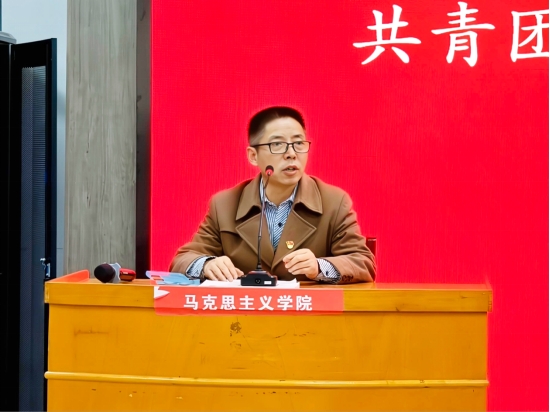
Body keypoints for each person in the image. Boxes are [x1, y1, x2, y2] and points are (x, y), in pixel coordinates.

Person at [170, 106, 376, 284]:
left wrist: (319, 267)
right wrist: (206, 264)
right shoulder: (225, 205)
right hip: (246, 314)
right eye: (277, 144)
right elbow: (182, 260)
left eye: (298, 143)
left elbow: (363, 262)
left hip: (308, 314)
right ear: (253, 156)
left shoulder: (333, 202)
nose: (291, 153)